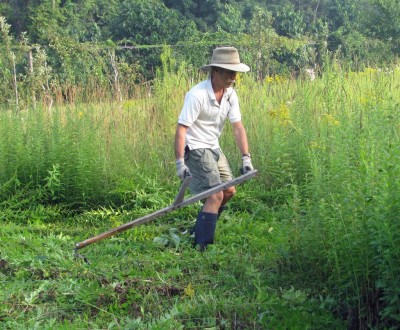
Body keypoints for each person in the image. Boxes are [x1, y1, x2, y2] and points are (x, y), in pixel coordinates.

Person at [174, 46, 254, 250]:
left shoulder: (230, 95)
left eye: (235, 73)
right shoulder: (197, 95)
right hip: (196, 148)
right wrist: (180, 163)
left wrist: (246, 157)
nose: (233, 77)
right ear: (215, 71)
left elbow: (238, 127)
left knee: (229, 191)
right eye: (229, 72)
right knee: (215, 195)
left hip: (213, 148)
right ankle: (203, 247)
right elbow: (182, 128)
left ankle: (200, 228)